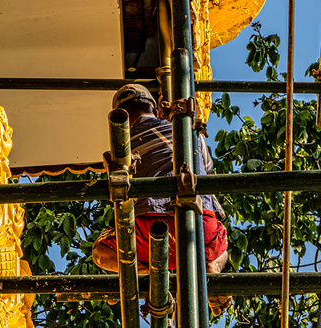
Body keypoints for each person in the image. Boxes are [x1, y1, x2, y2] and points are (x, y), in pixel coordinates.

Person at [91, 83, 229, 277]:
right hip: (200, 226)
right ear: (154, 109)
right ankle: (211, 269)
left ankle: (146, 272)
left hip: (146, 231)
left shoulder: (122, 148)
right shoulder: (191, 133)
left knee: (100, 251)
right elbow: (207, 170)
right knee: (222, 248)